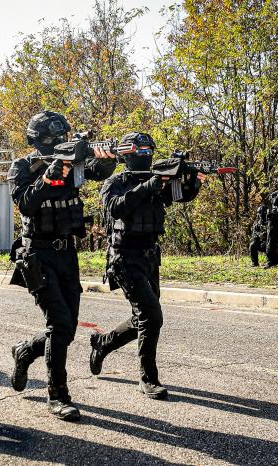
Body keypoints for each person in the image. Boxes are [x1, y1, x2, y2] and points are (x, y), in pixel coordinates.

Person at [7, 111, 116, 421]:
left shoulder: (73, 164)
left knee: (66, 328)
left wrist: (107, 157)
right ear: (42, 140)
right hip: (37, 254)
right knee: (60, 324)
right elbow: (26, 202)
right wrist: (50, 173)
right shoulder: (22, 167)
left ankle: (26, 350)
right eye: (59, 138)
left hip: (67, 253)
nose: (64, 141)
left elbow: (99, 170)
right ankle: (57, 394)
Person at [89, 132, 204, 399]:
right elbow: (117, 208)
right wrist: (151, 185)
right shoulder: (115, 181)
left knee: (144, 317)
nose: (146, 154)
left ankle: (103, 344)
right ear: (128, 153)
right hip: (124, 257)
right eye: (140, 150)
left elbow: (180, 196)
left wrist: (191, 180)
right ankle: (148, 379)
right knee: (151, 316)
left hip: (150, 255)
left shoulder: (157, 180)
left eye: (148, 150)